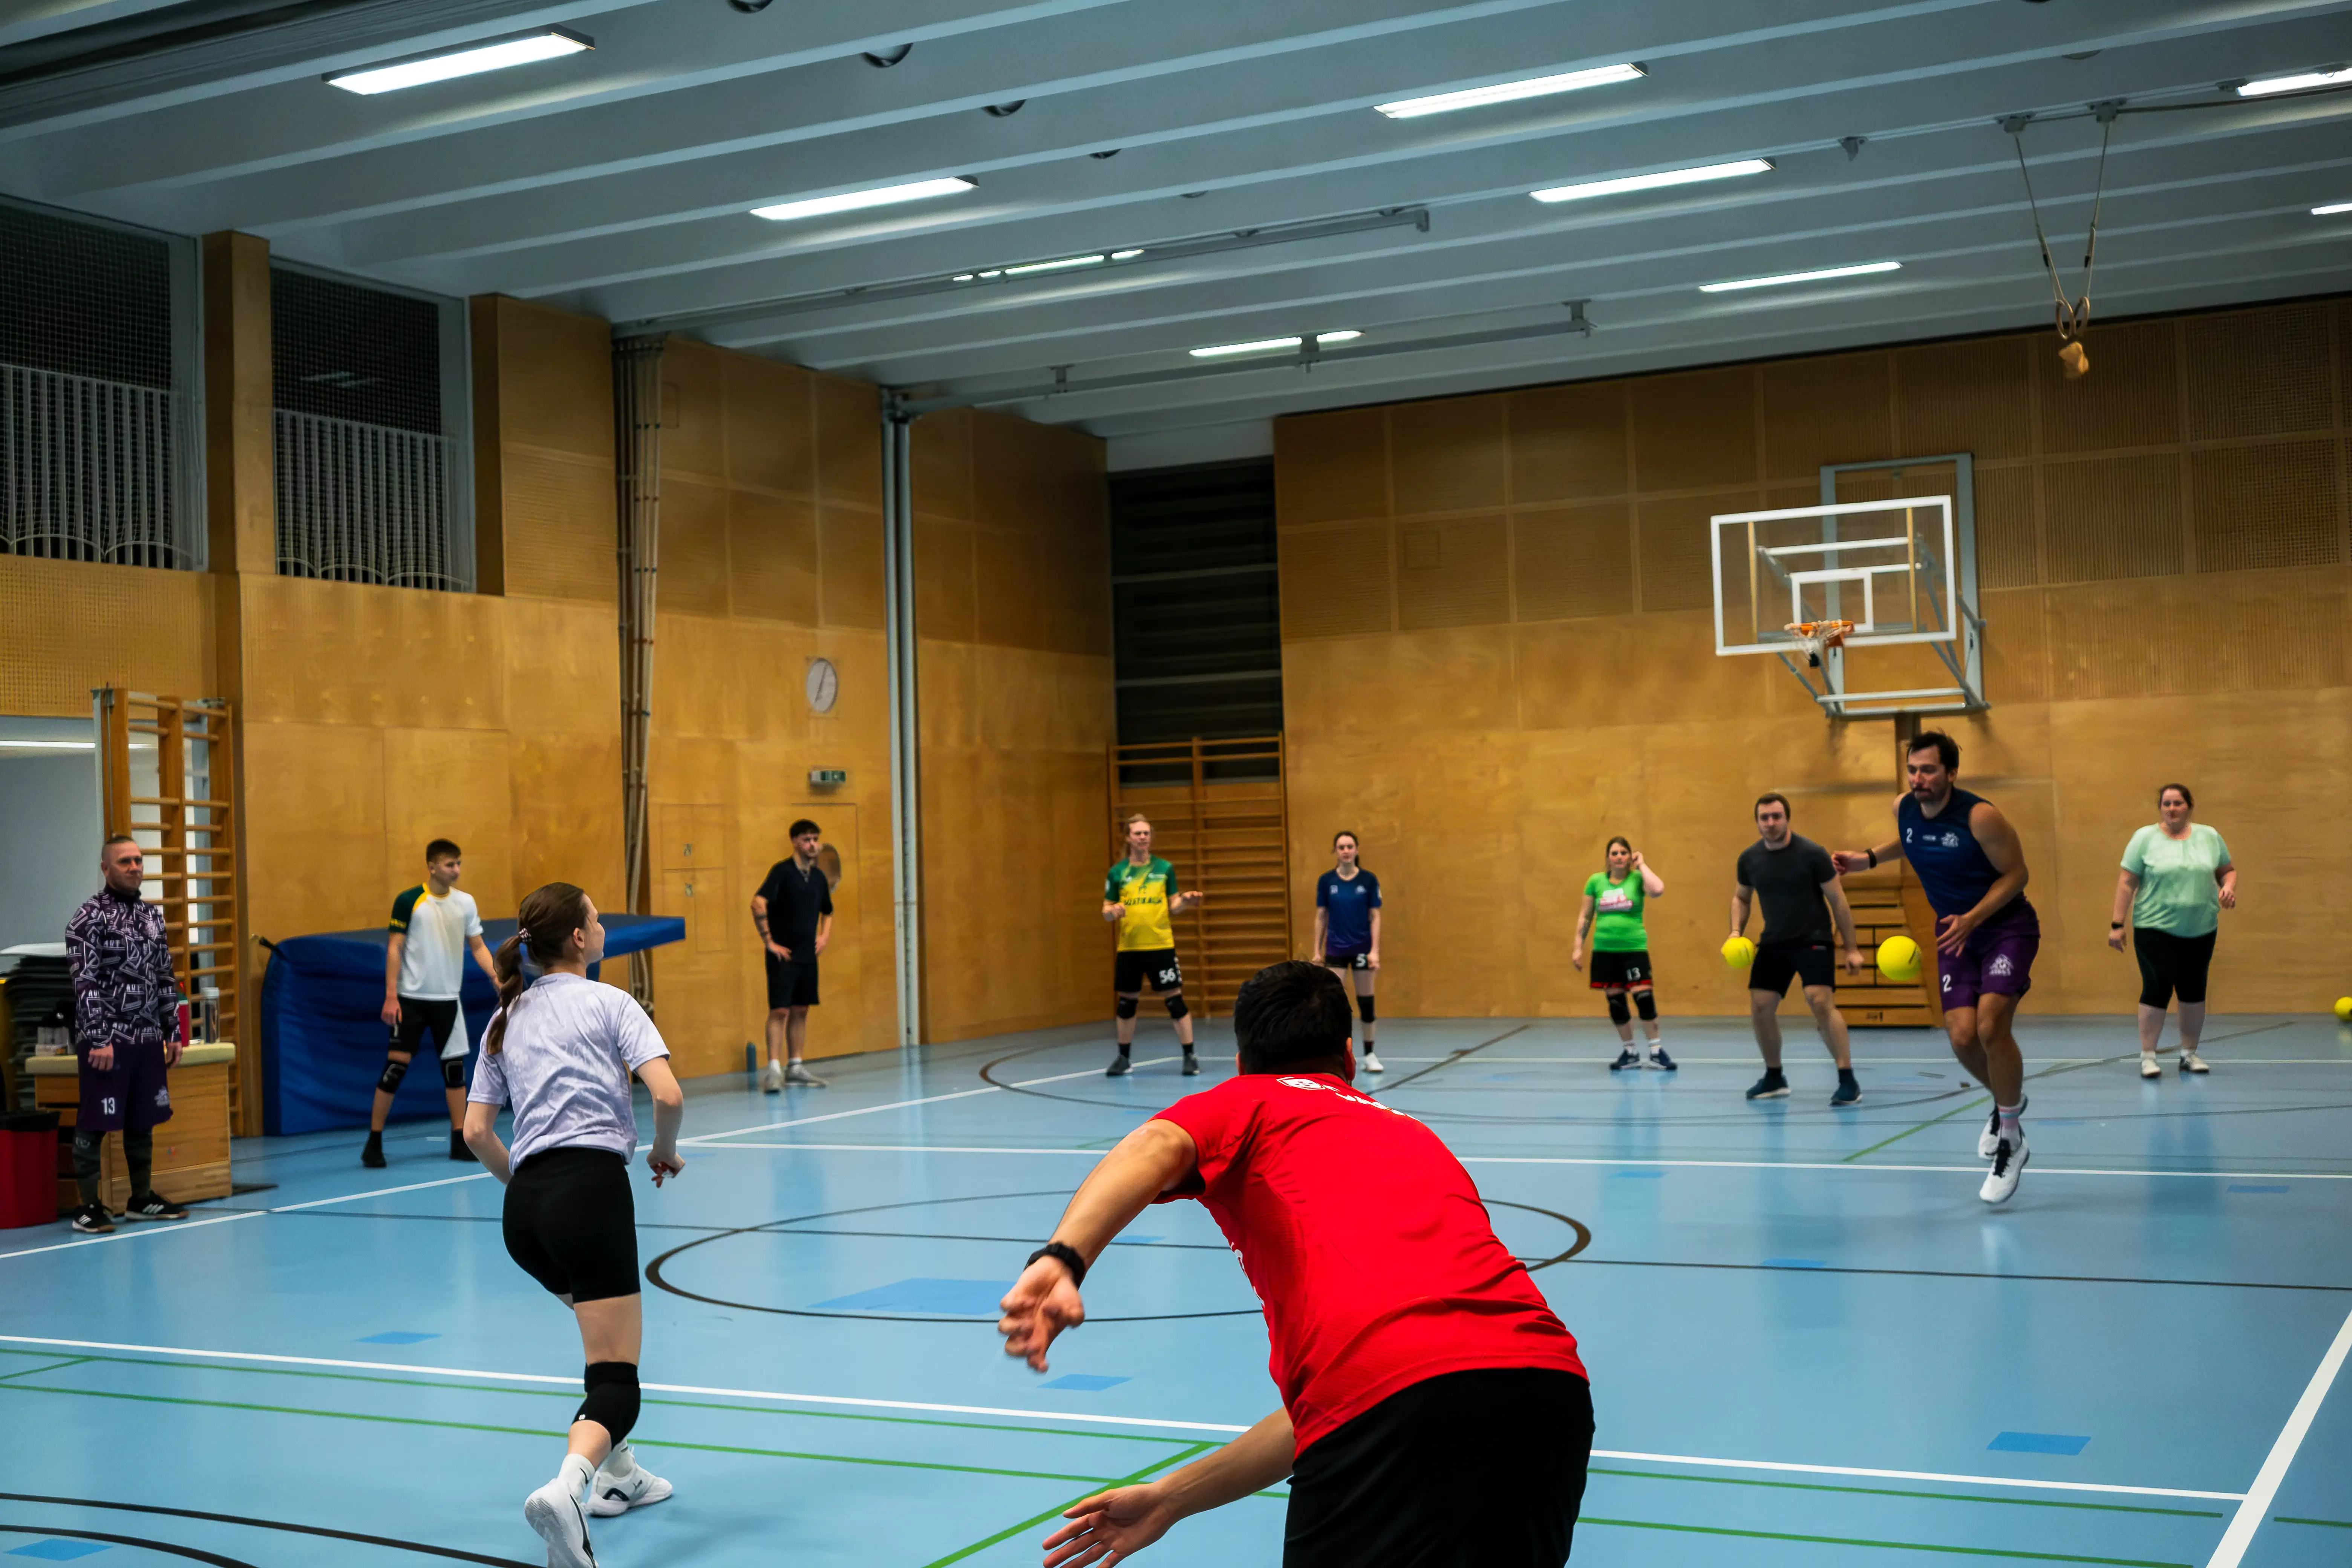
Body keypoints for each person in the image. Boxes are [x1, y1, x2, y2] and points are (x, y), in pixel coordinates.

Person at [1000, 960, 1591, 1567]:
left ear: (1239, 1064)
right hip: (1551, 1393)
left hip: (1394, 1401)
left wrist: (1064, 1257)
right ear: (1349, 1060)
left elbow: (1156, 1143)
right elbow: (1360, 1398)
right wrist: (1171, 1500)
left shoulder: (1247, 1101)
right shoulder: (1417, 1136)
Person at [464, 882, 686, 1567]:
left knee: (598, 1343)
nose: (601, 923)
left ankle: (621, 1478)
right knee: (618, 1378)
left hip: (523, 1212)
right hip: (590, 1194)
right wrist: (664, 1150)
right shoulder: (612, 1003)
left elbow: (476, 1132)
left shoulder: (507, 1016)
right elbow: (668, 1093)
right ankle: (568, 1489)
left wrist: (530, 1193)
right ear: (582, 939)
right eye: (595, 915)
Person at [1834, 731, 2039, 1205]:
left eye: (1928, 770)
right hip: (1954, 933)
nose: (1919, 778)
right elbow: (1912, 840)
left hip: (2004, 928)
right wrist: (1866, 859)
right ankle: (2008, 1103)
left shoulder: (1980, 816)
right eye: (1913, 769)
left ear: (1951, 773)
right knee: (1962, 1036)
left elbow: (2018, 874)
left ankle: (2011, 1138)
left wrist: (1973, 917)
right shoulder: (1904, 806)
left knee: (1990, 1026)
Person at [63, 835, 189, 1234]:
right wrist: (99, 1037)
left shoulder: (153, 917)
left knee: (142, 1119)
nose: (135, 867)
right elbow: (84, 983)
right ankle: (88, 1206)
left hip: (148, 1037)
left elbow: (165, 975)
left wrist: (173, 1030)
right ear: (106, 868)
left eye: (138, 860)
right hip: (107, 1041)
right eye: (124, 862)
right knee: (95, 1120)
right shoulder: (88, 918)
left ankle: (141, 1198)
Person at [364, 838, 499, 1169]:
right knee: (395, 1069)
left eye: (459, 864)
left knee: (455, 1071)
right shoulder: (410, 901)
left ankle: (459, 1139)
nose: (457, 870)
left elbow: (478, 945)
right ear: (432, 867)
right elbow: (394, 948)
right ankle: (374, 1140)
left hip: (448, 1001)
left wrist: (496, 976)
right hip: (411, 1001)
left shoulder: (465, 903)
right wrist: (391, 995)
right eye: (451, 865)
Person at [1732, 795, 1866, 1108]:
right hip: (1774, 941)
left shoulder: (1812, 854)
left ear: (1787, 819)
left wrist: (1852, 949)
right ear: (1757, 822)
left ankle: (1848, 1079)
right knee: (1761, 1007)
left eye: (1776, 817)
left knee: (1819, 1001)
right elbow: (1741, 897)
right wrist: (1735, 932)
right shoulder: (1749, 859)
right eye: (1764, 818)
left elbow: (1838, 901)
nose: (1770, 823)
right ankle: (1774, 1077)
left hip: (1813, 938)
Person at [2111, 784, 2235, 1078]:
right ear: (2160, 809)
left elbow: (2226, 871)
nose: (2171, 809)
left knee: (2194, 989)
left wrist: (2228, 887)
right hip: (2155, 927)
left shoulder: (2210, 836)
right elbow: (2127, 882)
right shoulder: (2144, 838)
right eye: (2166, 804)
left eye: (2178, 803)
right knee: (2158, 986)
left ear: (2189, 807)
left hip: (2201, 927)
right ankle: (2148, 1057)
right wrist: (2117, 924)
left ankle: (2189, 1054)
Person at [1102, 814, 1204, 1078]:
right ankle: (1123, 1058)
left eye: (1147, 833)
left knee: (1175, 1002)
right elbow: (1105, 911)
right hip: (1130, 949)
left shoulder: (1164, 868)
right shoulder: (1117, 873)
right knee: (1126, 1004)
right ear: (1128, 838)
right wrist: (1113, 911)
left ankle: (1190, 1056)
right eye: (1138, 833)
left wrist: (1187, 901)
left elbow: (1174, 906)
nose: (1143, 837)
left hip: (1160, 946)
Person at [1573, 836, 1671, 1072]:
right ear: (1608, 858)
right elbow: (1585, 916)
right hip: (1605, 951)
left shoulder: (1638, 879)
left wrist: (1643, 865)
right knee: (1616, 1003)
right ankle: (1630, 1053)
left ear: (1630, 856)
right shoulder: (1596, 882)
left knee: (1644, 999)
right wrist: (1578, 946)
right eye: (1615, 853)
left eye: (1624, 853)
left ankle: (1656, 1052)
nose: (1619, 857)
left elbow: (1658, 890)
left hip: (1633, 949)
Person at [751, 819, 833, 1091]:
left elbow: (828, 911)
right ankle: (774, 1069)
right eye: (808, 840)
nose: (813, 845)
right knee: (780, 1010)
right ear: (796, 842)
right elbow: (758, 902)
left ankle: (796, 1066)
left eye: (816, 839)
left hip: (807, 955)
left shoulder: (819, 878)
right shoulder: (782, 872)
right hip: (783, 956)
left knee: (801, 1010)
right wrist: (769, 942)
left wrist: (824, 936)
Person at [1309, 830, 1383, 1074]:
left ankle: (1370, 1053)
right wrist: (1317, 951)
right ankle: (1337, 1055)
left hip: (1362, 949)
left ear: (1357, 850)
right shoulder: (1327, 881)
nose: (1346, 851)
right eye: (1341, 847)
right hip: (1336, 950)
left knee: (1366, 1002)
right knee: (1335, 1004)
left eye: (1350, 846)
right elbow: (1322, 916)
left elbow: (1375, 916)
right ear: (1336, 851)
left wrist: (1374, 951)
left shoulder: (1369, 881)